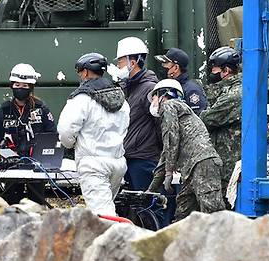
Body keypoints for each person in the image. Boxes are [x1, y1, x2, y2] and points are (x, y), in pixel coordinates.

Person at [57, 53, 129, 216]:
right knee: (108, 207)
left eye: (80, 72)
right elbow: (125, 127)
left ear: (86, 72)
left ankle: (111, 241)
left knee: (103, 215)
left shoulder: (82, 98)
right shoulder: (122, 99)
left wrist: (71, 145)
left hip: (93, 164)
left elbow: (65, 131)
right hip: (117, 163)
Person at [148, 79, 225, 221]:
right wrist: (151, 190)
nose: (152, 103)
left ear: (163, 95)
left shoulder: (169, 105)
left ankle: (225, 243)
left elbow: (172, 138)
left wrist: (169, 172)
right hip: (193, 168)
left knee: (214, 214)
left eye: (153, 98)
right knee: (183, 215)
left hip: (202, 164)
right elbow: (166, 153)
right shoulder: (182, 112)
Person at [112, 36, 161, 193]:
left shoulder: (149, 89)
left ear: (132, 62)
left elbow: (160, 123)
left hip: (144, 159)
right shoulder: (128, 87)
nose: (117, 66)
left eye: (119, 62)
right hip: (129, 156)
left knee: (148, 205)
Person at [199, 46, 242, 196]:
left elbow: (206, 119)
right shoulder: (227, 90)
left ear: (226, 70)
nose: (211, 74)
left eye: (214, 69)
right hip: (224, 166)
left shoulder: (234, 94)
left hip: (229, 167)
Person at [0, 63, 57, 156]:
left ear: (31, 87)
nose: (20, 88)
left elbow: (52, 137)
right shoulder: (3, 111)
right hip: (9, 165)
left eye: (25, 86)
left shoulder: (41, 109)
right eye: (17, 85)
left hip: (38, 163)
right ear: (11, 86)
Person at [154, 47, 207, 114]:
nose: (162, 66)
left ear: (176, 68)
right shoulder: (164, 88)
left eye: (165, 63)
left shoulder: (191, 89)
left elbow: (197, 117)